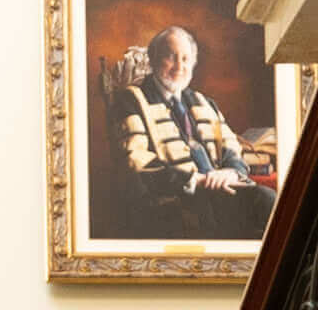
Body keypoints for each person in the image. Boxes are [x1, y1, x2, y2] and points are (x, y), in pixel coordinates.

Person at [106, 23, 277, 245]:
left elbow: (231, 146)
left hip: (220, 188)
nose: (179, 66)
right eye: (171, 57)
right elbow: (137, 160)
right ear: (154, 59)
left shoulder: (203, 101)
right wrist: (196, 180)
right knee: (264, 203)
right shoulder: (131, 101)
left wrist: (231, 172)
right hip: (179, 196)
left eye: (186, 59)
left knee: (272, 206)